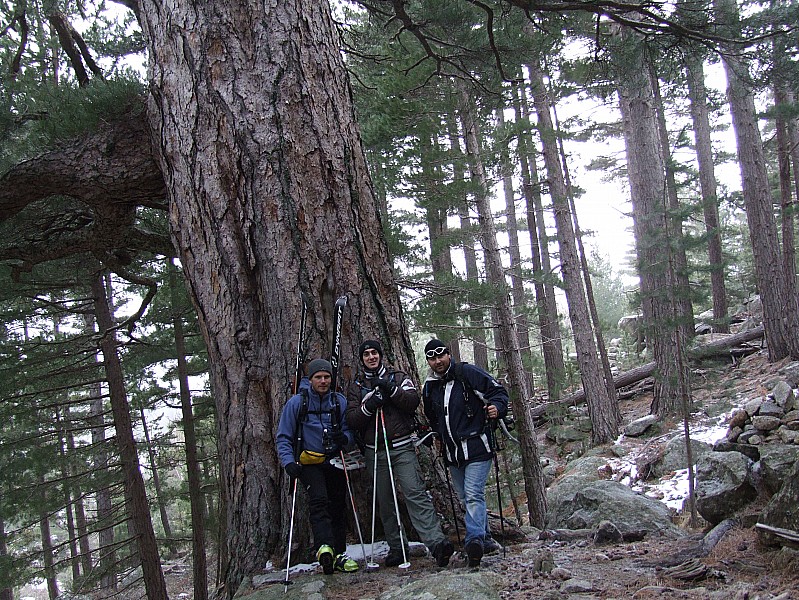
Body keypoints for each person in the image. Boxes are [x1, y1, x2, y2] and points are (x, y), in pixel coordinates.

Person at [345, 339, 455, 568]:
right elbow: (352, 419)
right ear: (362, 358)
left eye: (374, 353)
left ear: (380, 355)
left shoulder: (397, 376)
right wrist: (370, 405)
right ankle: (397, 547)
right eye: (367, 354)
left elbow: (412, 401)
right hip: (375, 450)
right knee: (385, 501)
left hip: (402, 446)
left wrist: (391, 390)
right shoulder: (356, 385)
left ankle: (437, 544)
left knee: (415, 493)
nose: (371, 357)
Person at [421, 338, 508, 568]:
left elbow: (498, 392)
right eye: (432, 357)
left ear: (449, 354)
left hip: (478, 446)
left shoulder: (467, 373)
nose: (438, 361)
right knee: (465, 497)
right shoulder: (430, 386)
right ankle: (485, 539)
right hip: (452, 453)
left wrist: (497, 408)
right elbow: (432, 417)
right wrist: (435, 435)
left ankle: (474, 542)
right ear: (428, 361)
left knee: (473, 494)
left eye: (441, 355)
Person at [277, 358, 359, 575]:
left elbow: (350, 433)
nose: (323, 381)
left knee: (338, 505)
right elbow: (284, 436)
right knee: (319, 500)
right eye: (318, 377)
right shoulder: (297, 403)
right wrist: (288, 462)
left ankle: (339, 553)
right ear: (310, 379)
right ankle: (324, 547)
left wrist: (344, 439)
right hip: (309, 462)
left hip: (335, 459)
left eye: (327, 377)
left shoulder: (339, 401)